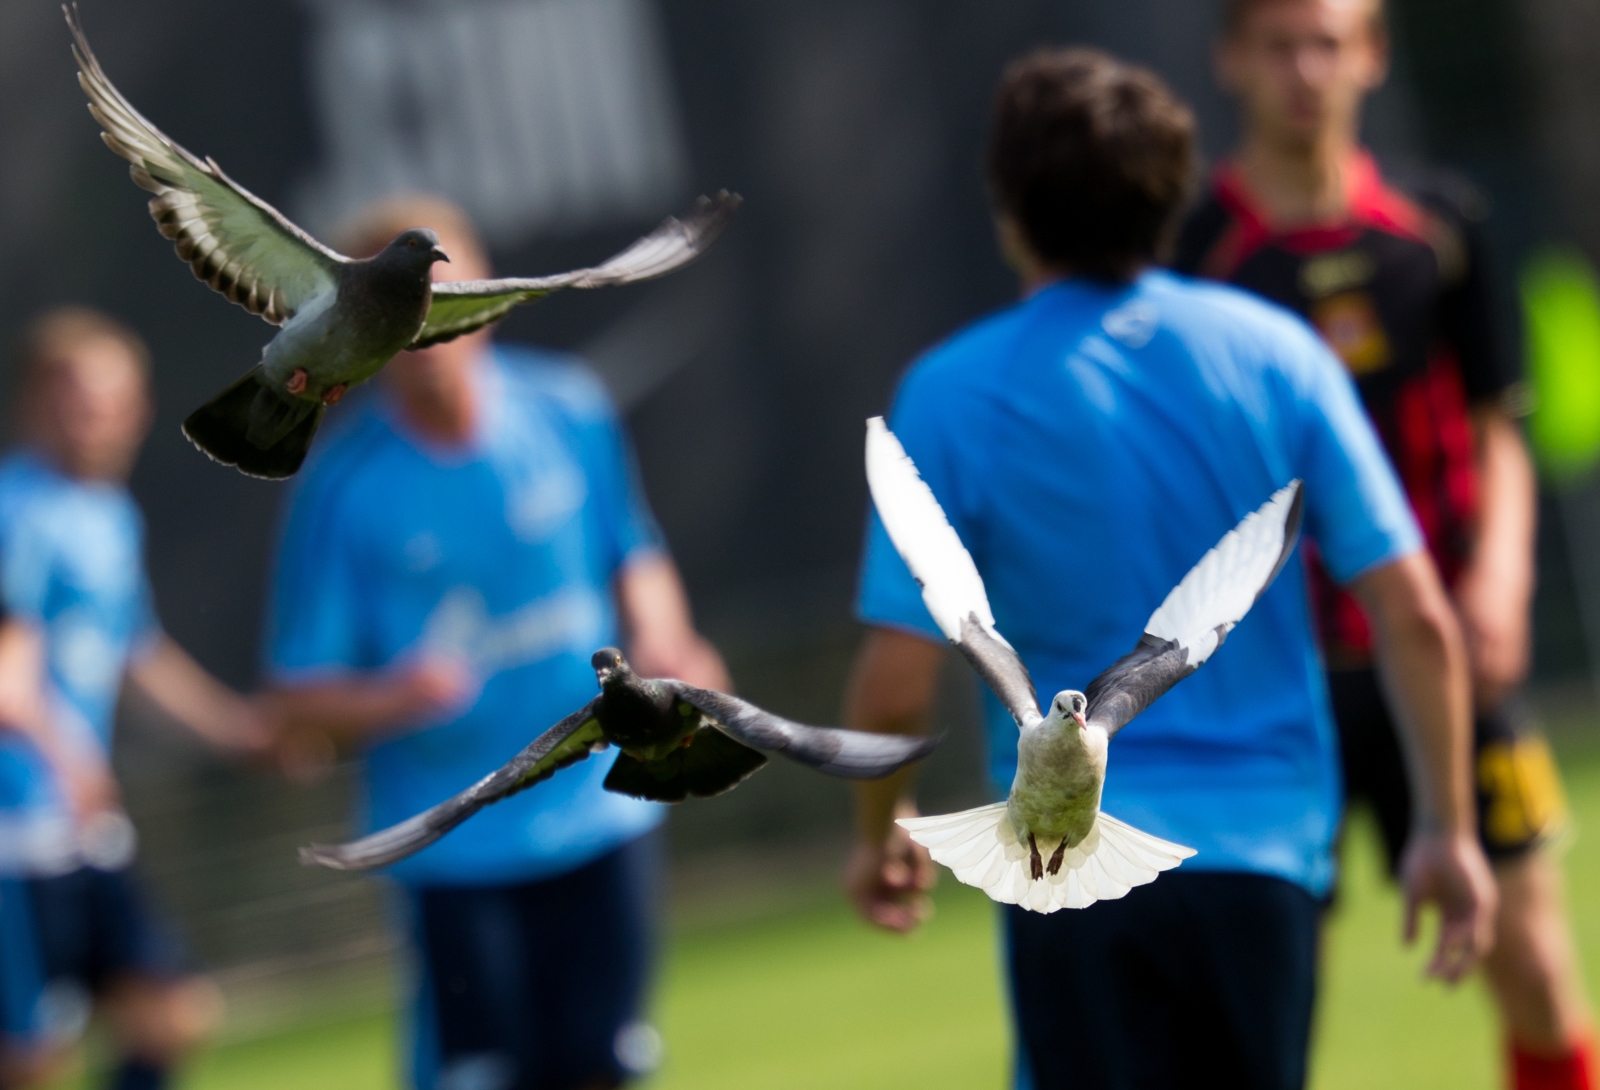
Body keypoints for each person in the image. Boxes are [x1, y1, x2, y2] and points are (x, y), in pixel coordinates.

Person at [843, 47, 1496, 1090]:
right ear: (1170, 196)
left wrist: (878, 835)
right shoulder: (1278, 352)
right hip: (1266, 858)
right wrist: (1446, 830)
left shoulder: (951, 392)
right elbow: (1414, 613)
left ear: (1008, 208)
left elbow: (892, 684)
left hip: (1068, 863)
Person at [1171, 0, 1595, 1084]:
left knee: (1539, 972)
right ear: (1231, 60)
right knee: (1260, 1011)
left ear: (1370, 55)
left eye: (1327, 44)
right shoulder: (1194, 254)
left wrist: (1499, 578)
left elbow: (1498, 423)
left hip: (1444, 659)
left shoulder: (1439, 223)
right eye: (1278, 46)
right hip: (1279, 686)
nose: (1304, 71)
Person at [263, 195, 729, 1090]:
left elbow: (633, 553)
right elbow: (298, 698)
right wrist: (392, 697)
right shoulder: (344, 490)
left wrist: (667, 639)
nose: (426, 322)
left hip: (600, 809)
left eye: (444, 292)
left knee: (601, 1066)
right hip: (458, 842)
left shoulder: (568, 409)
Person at [0, 307, 269, 1090]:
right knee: (28, 1061)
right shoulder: (17, 511)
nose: (98, 419)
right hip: (16, 834)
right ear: (36, 403)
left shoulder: (109, 516)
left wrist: (238, 730)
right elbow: (9, 678)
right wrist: (71, 759)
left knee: (171, 1012)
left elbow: (134, 654)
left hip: (79, 828)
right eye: (78, 402)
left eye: (112, 402)